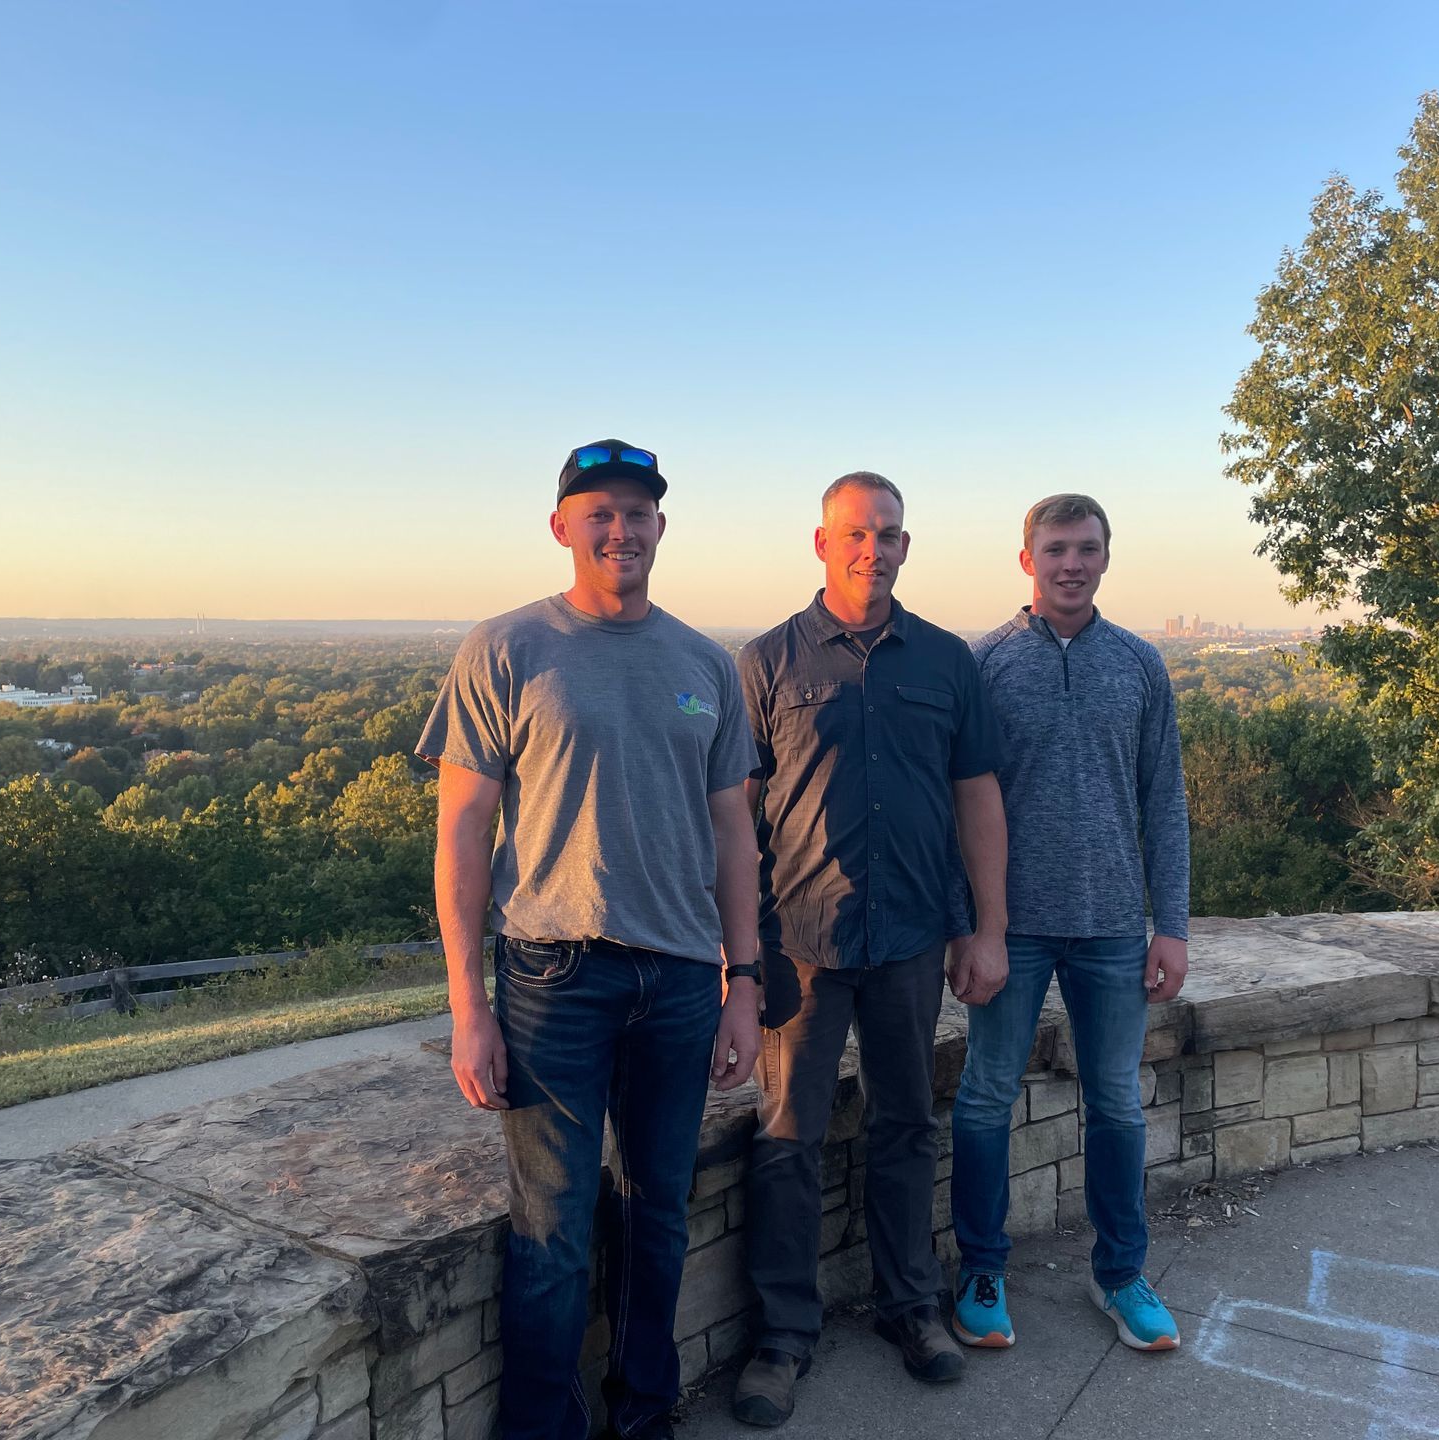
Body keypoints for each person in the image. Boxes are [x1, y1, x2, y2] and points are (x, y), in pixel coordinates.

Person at [419, 439, 764, 1440]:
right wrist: (468, 1008)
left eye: (637, 512)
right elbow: (462, 832)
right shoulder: (507, 648)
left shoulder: (705, 662)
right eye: (599, 512)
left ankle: (644, 1412)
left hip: (682, 980)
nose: (620, 529)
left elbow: (735, 835)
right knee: (554, 1231)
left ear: (661, 526)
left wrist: (743, 982)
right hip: (552, 977)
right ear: (562, 526)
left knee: (660, 1214)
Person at [730, 472, 1009, 1428]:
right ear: (822, 544)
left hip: (911, 937)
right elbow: (733, 819)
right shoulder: (767, 662)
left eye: (887, 534)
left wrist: (986, 928)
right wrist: (737, 953)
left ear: (904, 545)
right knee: (787, 1139)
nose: (872, 549)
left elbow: (977, 797)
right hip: (800, 945)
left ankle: (910, 1308)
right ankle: (782, 1337)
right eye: (855, 533)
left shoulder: (945, 659)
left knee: (906, 1127)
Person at [946, 492, 1190, 1355]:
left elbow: (1165, 801)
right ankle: (981, 1271)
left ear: (1106, 558)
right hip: (1008, 927)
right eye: (1056, 549)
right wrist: (969, 926)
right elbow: (956, 805)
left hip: (1115, 925)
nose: (1071, 564)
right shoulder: (985, 664)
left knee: (1117, 1101)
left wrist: (1172, 924)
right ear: (1028, 560)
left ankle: (1121, 1273)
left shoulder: (1139, 664)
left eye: (1086, 548)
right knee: (985, 1096)